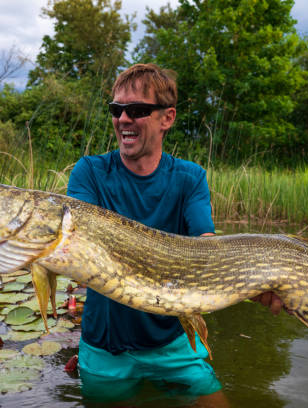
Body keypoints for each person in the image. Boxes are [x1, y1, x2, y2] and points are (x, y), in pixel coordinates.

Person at [66, 63, 282, 405]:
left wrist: (253, 279)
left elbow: (206, 245)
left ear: (167, 118)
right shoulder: (90, 172)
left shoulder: (190, 178)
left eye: (136, 110)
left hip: (175, 346)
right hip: (106, 349)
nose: (123, 119)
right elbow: (75, 237)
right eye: (116, 110)